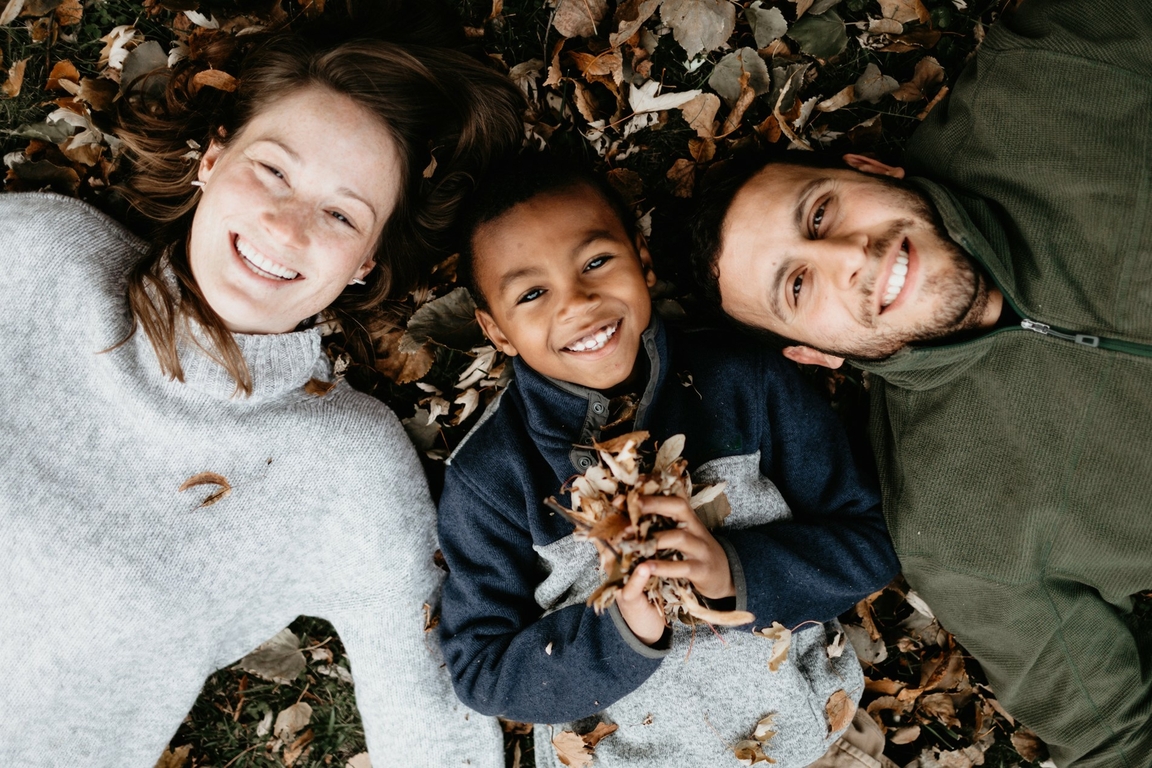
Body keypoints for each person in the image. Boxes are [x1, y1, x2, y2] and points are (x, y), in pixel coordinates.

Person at [0, 12, 523, 767]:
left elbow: (432, 725)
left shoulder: (344, 466)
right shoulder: (38, 257)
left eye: (341, 214)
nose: (286, 226)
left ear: (366, 263)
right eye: (274, 170)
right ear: (212, 158)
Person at [687, 1, 1152, 765]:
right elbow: (1120, 739)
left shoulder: (1049, 80)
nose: (849, 258)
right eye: (799, 288)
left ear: (870, 168)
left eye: (821, 212)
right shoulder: (956, 530)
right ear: (815, 356)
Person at [435, 153, 900, 768]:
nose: (576, 302)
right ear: (495, 330)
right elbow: (482, 669)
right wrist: (624, 631)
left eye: (597, 262)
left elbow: (874, 540)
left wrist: (733, 574)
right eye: (533, 293)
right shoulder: (492, 476)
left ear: (643, 261)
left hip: (809, 738)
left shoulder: (749, 385)